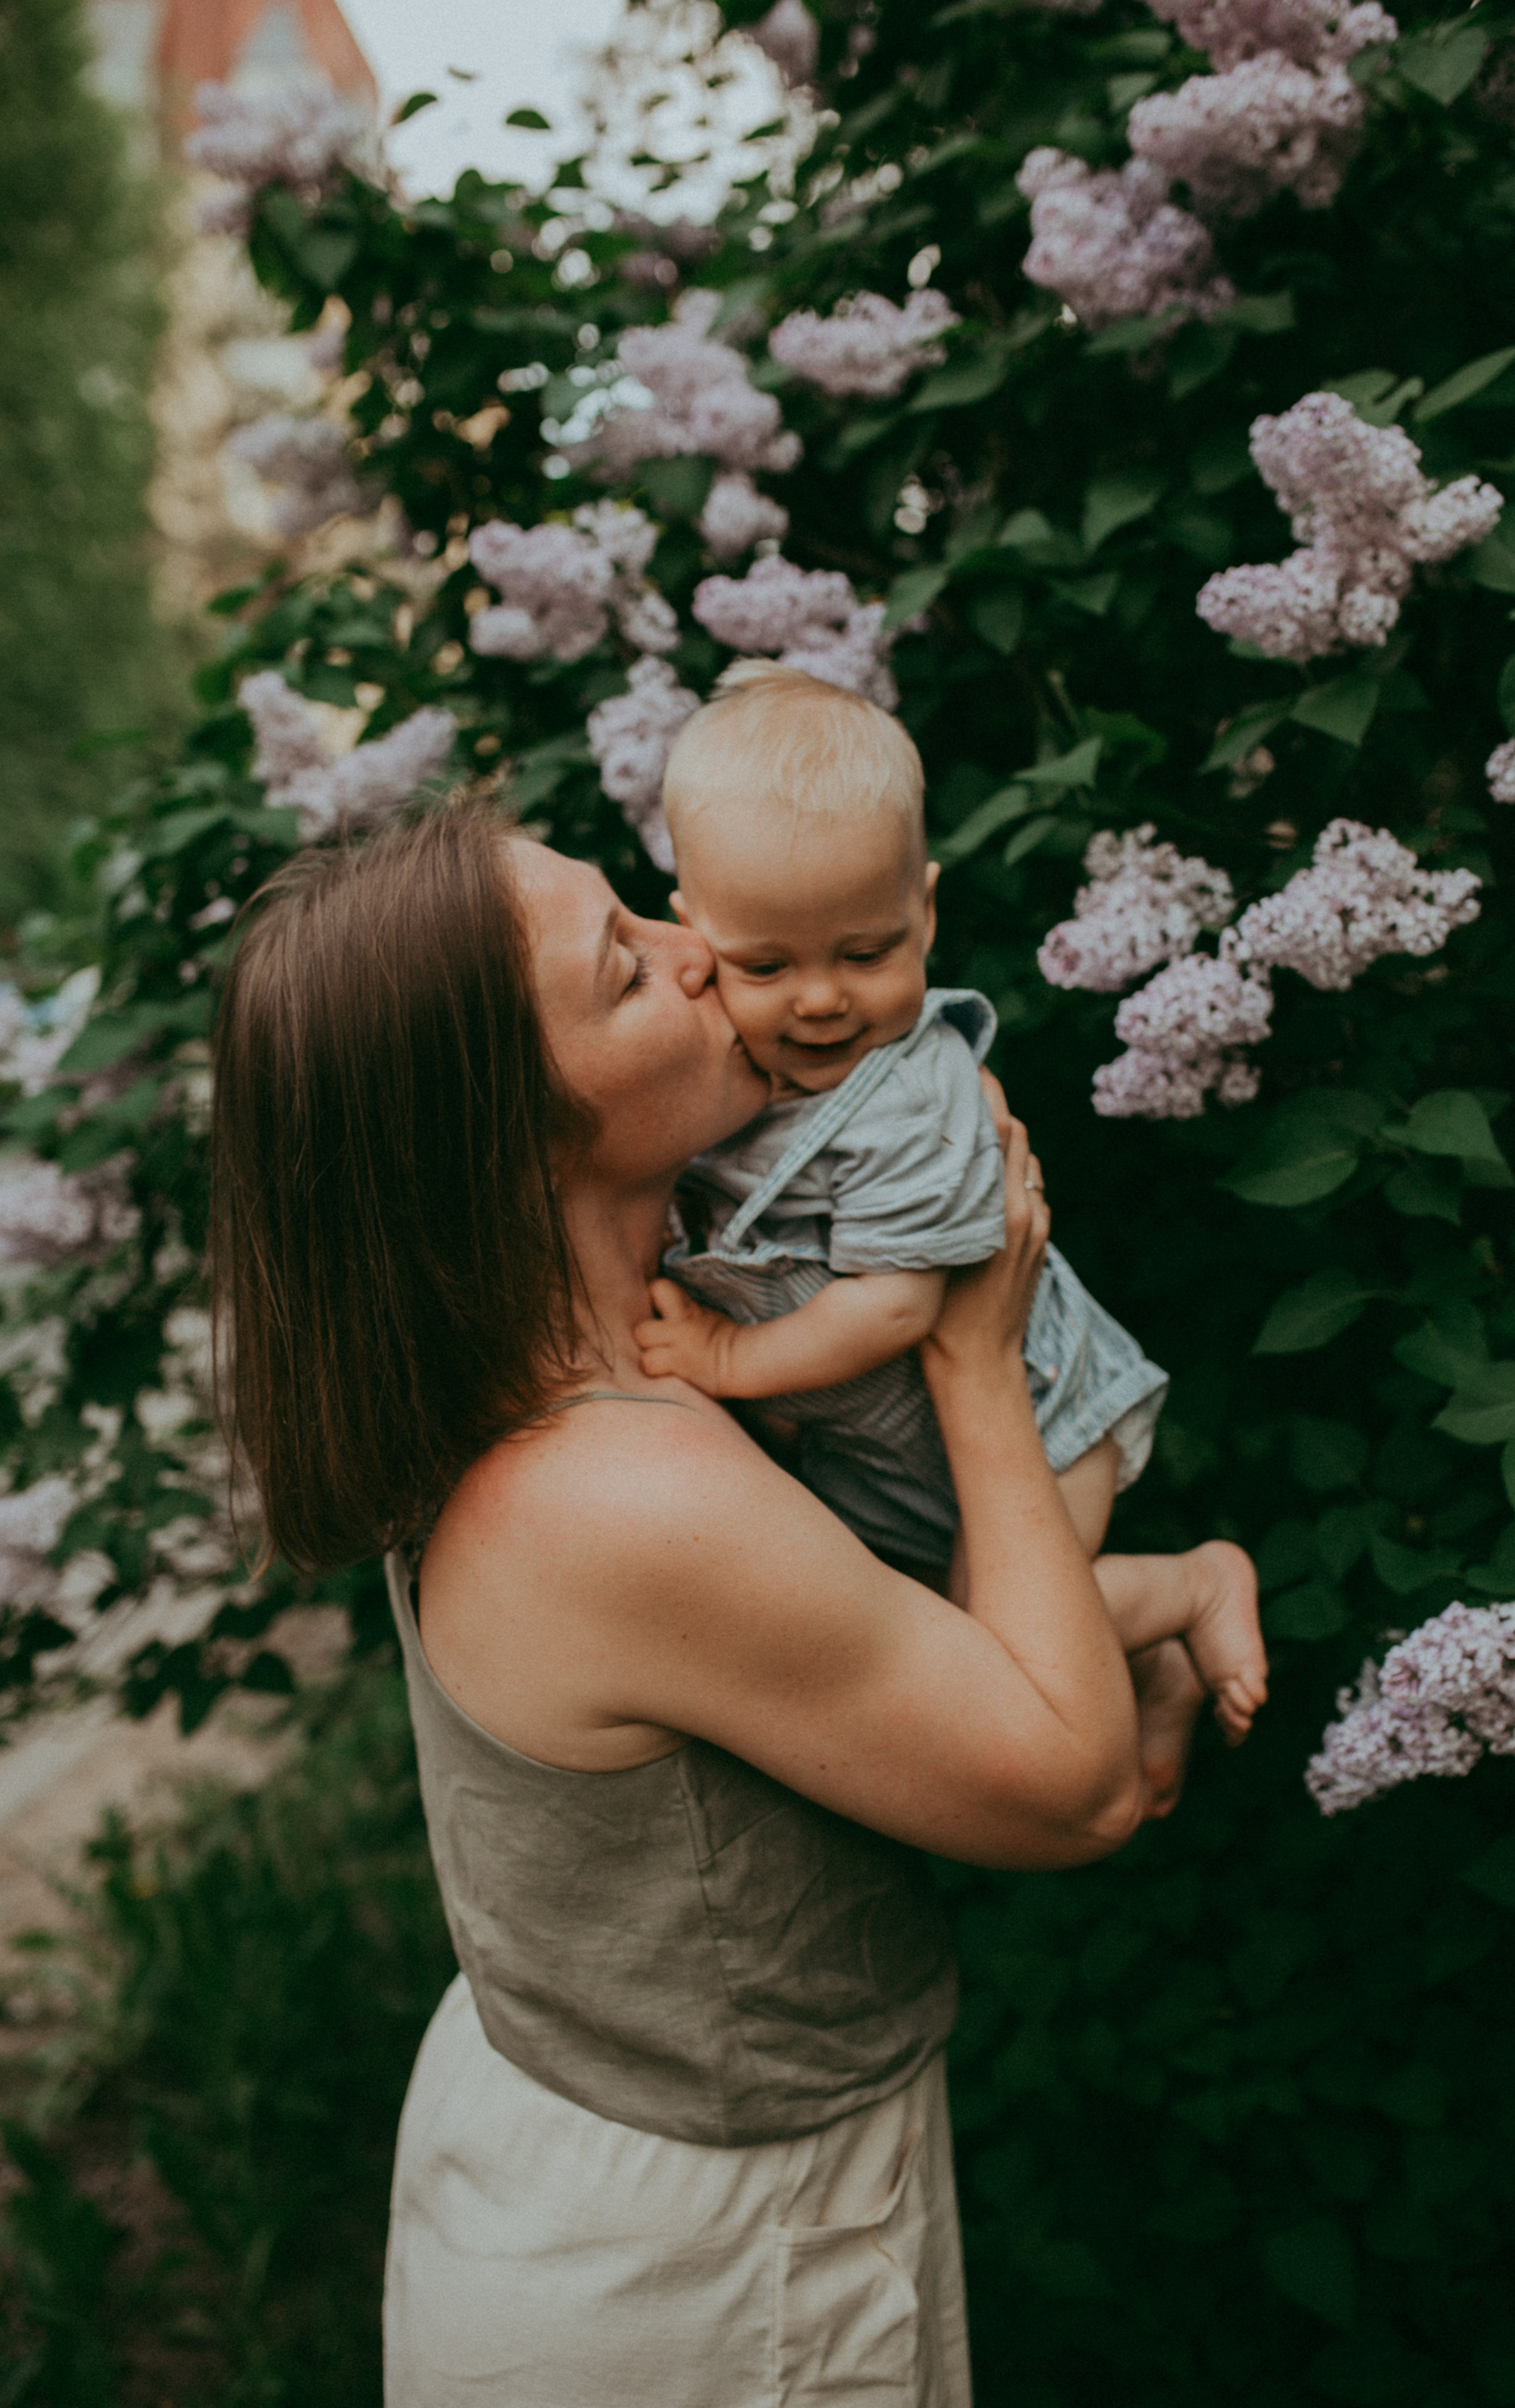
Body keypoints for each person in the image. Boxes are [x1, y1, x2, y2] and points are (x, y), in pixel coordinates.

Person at [209, 800, 1152, 2408]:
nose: (698, 949)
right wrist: (977, 1359)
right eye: (627, 973)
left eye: (637, 913)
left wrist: (1146, 1595)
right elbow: (1073, 1785)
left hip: (579, 2150)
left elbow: (828, 1662)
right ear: (509, 1135)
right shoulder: (612, 1497)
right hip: (711, 2269)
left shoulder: (543, 1380)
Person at [635, 663, 1266, 1797]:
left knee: (997, 1641)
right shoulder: (721, 1072)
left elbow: (898, 1303)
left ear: (925, 911)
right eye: (765, 966)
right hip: (894, 1458)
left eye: (867, 954)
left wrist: (727, 1359)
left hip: (1042, 1413)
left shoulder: (910, 1097)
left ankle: (1195, 1587)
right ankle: (1155, 1668)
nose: (821, 1001)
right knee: (933, 1640)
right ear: (694, 938)